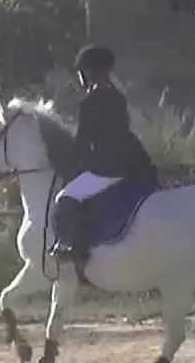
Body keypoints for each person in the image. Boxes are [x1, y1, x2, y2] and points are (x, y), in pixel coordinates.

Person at [50, 45, 158, 262]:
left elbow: (82, 143)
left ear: (87, 72)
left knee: (66, 197)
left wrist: (69, 164)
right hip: (131, 163)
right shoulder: (117, 97)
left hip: (106, 168)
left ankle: (76, 249)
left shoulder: (90, 101)